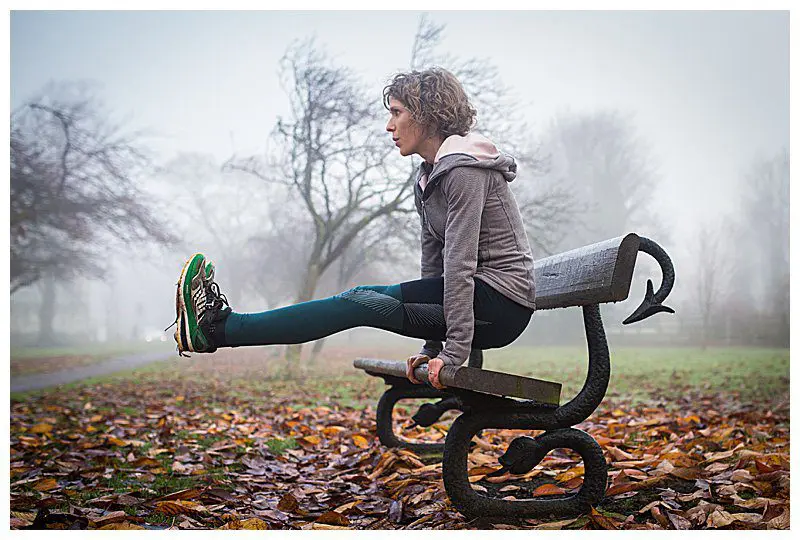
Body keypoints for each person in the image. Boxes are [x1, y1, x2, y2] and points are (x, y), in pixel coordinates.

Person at [171, 67, 536, 390]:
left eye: (397, 113)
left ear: (427, 115)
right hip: (473, 300)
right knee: (361, 297)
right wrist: (431, 345)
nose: (389, 126)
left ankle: (219, 329)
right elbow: (434, 269)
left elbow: (459, 265)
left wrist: (453, 352)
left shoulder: (466, 172)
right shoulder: (429, 178)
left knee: (360, 303)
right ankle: (220, 328)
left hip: (500, 306)